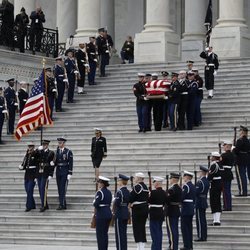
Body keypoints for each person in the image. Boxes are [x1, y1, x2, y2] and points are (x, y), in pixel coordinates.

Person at [129, 172, 149, 250]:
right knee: (142, 227)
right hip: (144, 208)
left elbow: (131, 198)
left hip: (138, 209)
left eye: (135, 178)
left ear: (138, 178)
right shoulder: (145, 187)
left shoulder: (137, 187)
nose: (134, 179)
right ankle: (142, 246)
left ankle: (139, 246)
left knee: (137, 228)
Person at [18, 142, 39, 212]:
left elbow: (37, 166)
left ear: (33, 147)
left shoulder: (36, 154)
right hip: (27, 174)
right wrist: (22, 167)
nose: (30, 148)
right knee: (27, 190)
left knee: (30, 190)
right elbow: (25, 163)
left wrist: (36, 176)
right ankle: (32, 204)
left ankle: (28, 206)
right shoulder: (27, 154)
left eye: (31, 146)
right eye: (29, 146)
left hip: (33, 175)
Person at [93, 176, 112, 250]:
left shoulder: (100, 192)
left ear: (102, 184)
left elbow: (96, 204)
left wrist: (94, 202)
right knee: (105, 233)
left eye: (99, 182)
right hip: (108, 212)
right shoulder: (109, 192)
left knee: (100, 234)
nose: (98, 184)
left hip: (101, 214)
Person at [54, 137, 73, 210]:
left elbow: (70, 162)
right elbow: (55, 161)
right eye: (58, 143)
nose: (59, 144)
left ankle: (61, 204)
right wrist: (53, 163)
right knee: (59, 188)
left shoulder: (68, 151)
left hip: (65, 171)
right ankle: (63, 203)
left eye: (60, 143)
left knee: (63, 188)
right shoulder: (56, 152)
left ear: (64, 143)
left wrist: (70, 173)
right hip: (58, 171)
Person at [37, 139, 55, 212]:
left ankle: (43, 205)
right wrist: (37, 149)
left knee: (43, 189)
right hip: (39, 173)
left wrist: (51, 174)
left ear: (47, 145)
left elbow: (52, 165)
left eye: (45, 145)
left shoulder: (51, 153)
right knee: (40, 189)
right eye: (43, 145)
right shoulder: (39, 152)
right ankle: (45, 204)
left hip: (46, 173)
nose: (44, 146)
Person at [148, 176, 166, 250]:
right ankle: (157, 247)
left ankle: (156, 248)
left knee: (154, 233)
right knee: (159, 231)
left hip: (154, 213)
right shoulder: (164, 192)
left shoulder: (153, 192)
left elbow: (148, 201)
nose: (153, 184)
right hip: (160, 212)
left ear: (157, 183)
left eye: (154, 182)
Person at [165, 172, 182, 250]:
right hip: (176, 210)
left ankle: (172, 247)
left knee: (171, 231)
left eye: (170, 178)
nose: (170, 180)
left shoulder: (172, 189)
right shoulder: (179, 188)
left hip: (170, 211)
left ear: (173, 179)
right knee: (175, 229)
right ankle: (174, 246)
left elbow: (167, 200)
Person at [113, 174, 130, 250]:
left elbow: (117, 203)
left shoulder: (119, 192)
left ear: (122, 181)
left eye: (119, 180)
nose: (118, 182)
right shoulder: (127, 191)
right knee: (123, 233)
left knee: (119, 234)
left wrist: (114, 200)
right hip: (125, 212)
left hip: (119, 213)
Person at [180, 171, 196, 250]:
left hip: (186, 208)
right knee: (189, 228)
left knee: (185, 228)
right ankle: (190, 245)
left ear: (187, 177)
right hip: (191, 207)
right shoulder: (193, 186)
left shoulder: (186, 186)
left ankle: (186, 245)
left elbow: (182, 197)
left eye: (184, 176)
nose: (183, 178)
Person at [233, 125, 250, 196]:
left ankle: (243, 192)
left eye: (240, 131)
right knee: (243, 176)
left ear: (243, 132)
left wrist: (233, 149)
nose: (239, 132)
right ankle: (244, 191)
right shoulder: (248, 141)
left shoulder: (240, 141)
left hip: (240, 160)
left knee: (241, 176)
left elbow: (236, 151)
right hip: (246, 159)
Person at [195, 165, 209, 242]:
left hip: (199, 201)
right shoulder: (206, 181)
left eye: (200, 172)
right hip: (203, 200)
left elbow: (196, 192)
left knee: (200, 220)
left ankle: (201, 236)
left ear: (202, 172)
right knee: (203, 219)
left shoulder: (200, 182)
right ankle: (204, 235)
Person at [208, 152, 222, 225]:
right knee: (217, 201)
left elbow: (210, 176)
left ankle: (216, 220)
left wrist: (207, 181)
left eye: (212, 157)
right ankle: (216, 220)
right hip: (219, 183)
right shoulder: (220, 164)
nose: (211, 158)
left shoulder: (214, 165)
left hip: (215, 184)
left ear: (214, 157)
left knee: (214, 201)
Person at [221, 141, 235, 211]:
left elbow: (220, 163)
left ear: (227, 146)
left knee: (225, 191)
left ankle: (227, 206)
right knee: (228, 191)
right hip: (229, 173)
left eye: (224, 146)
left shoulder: (224, 155)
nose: (223, 147)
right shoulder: (233, 155)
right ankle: (228, 205)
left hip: (224, 174)